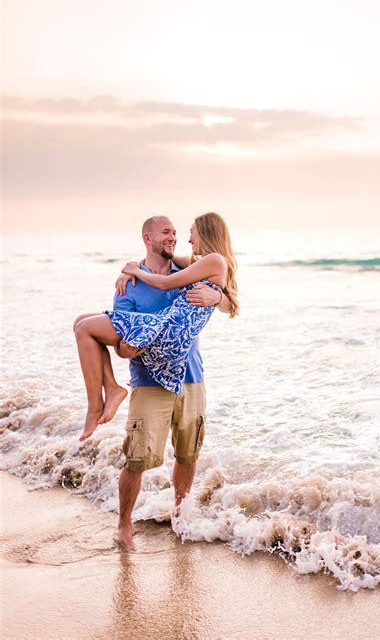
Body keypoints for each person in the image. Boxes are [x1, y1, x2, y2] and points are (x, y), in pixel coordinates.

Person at [73, 212, 238, 549]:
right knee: (136, 459)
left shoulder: (189, 270)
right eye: (168, 232)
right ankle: (124, 526)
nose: (179, 238)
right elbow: (123, 347)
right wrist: (131, 268)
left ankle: (180, 515)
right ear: (147, 238)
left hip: (191, 375)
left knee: (187, 453)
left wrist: (218, 297)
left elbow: (229, 299)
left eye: (182, 233)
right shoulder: (131, 283)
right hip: (149, 380)